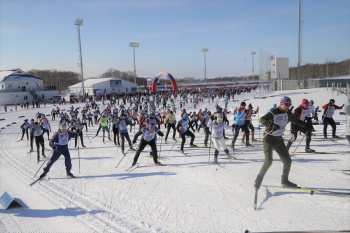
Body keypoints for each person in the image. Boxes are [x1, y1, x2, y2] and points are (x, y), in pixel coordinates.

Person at [254, 96, 312, 190]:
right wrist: (271, 124)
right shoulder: (274, 111)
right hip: (268, 139)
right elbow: (262, 119)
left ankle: (284, 181)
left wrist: (306, 125)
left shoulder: (288, 113)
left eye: (289, 105)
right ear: (281, 103)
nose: (288, 106)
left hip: (278, 140)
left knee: (287, 161)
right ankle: (258, 180)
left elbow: (296, 121)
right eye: (286, 104)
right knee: (268, 161)